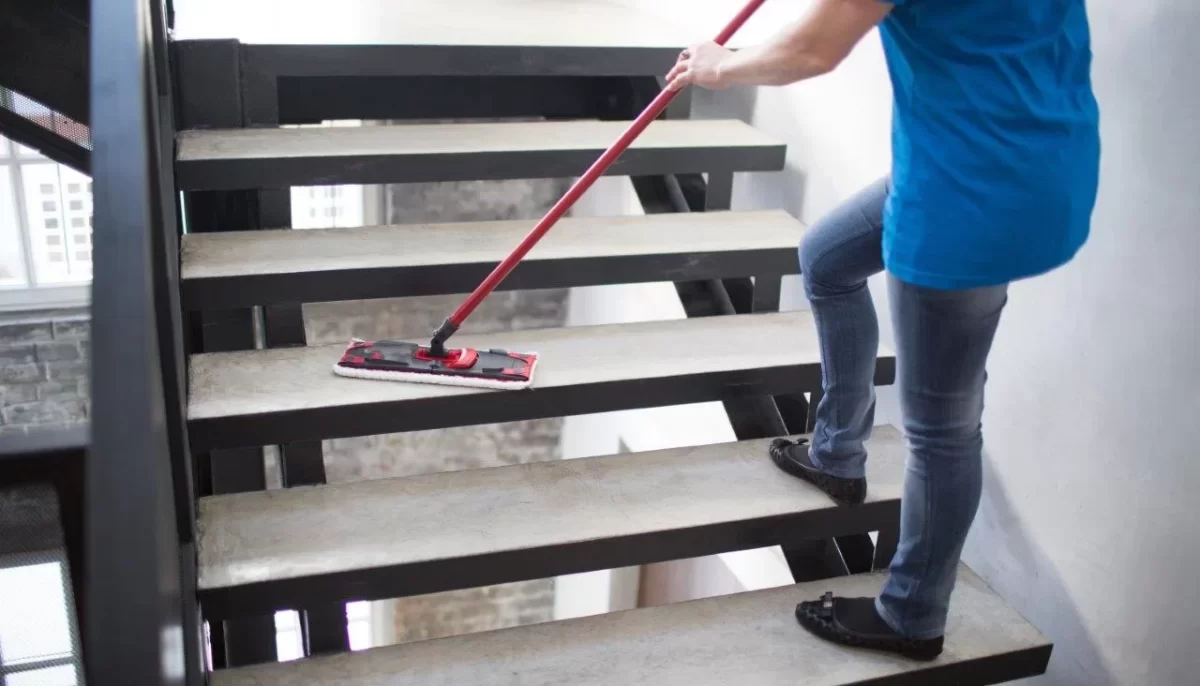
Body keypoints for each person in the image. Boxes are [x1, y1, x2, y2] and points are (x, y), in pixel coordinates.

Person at [667, 0, 1100, 661]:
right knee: (827, 258)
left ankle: (912, 615)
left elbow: (814, 50)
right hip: (1034, 163)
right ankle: (837, 452)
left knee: (943, 427)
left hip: (964, 199)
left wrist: (720, 66)